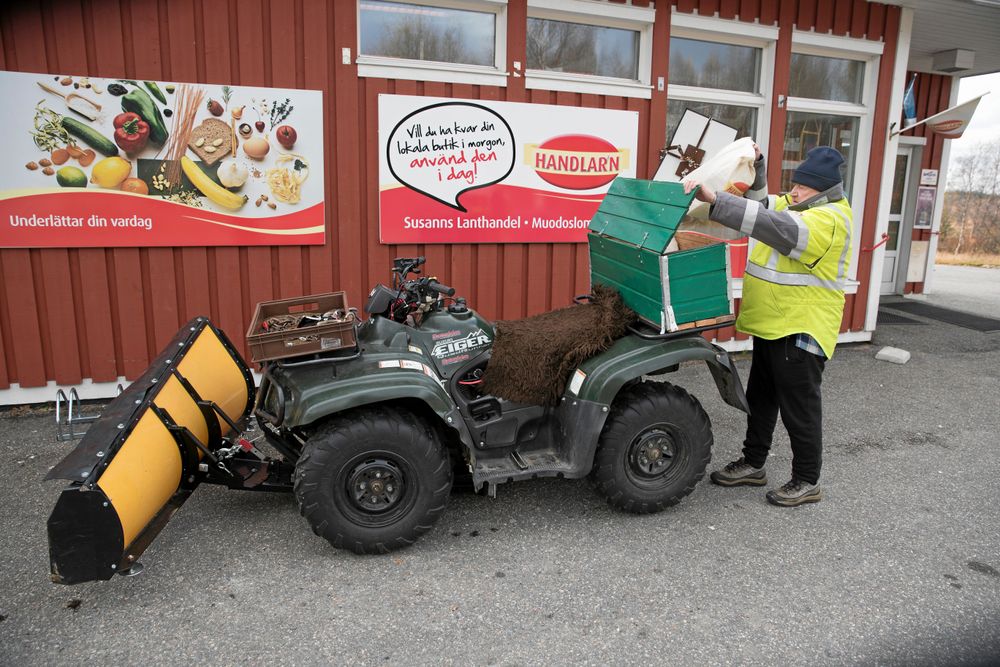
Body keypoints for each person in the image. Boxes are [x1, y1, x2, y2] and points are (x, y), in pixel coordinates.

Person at [682, 145, 853, 507]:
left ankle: (807, 480)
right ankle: (754, 464)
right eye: (794, 184)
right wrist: (757, 168)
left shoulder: (829, 220)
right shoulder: (797, 205)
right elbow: (760, 204)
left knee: (799, 410)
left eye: (802, 187)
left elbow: (769, 224)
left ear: (823, 191)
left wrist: (713, 199)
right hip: (775, 324)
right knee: (761, 400)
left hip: (802, 328)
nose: (794, 191)